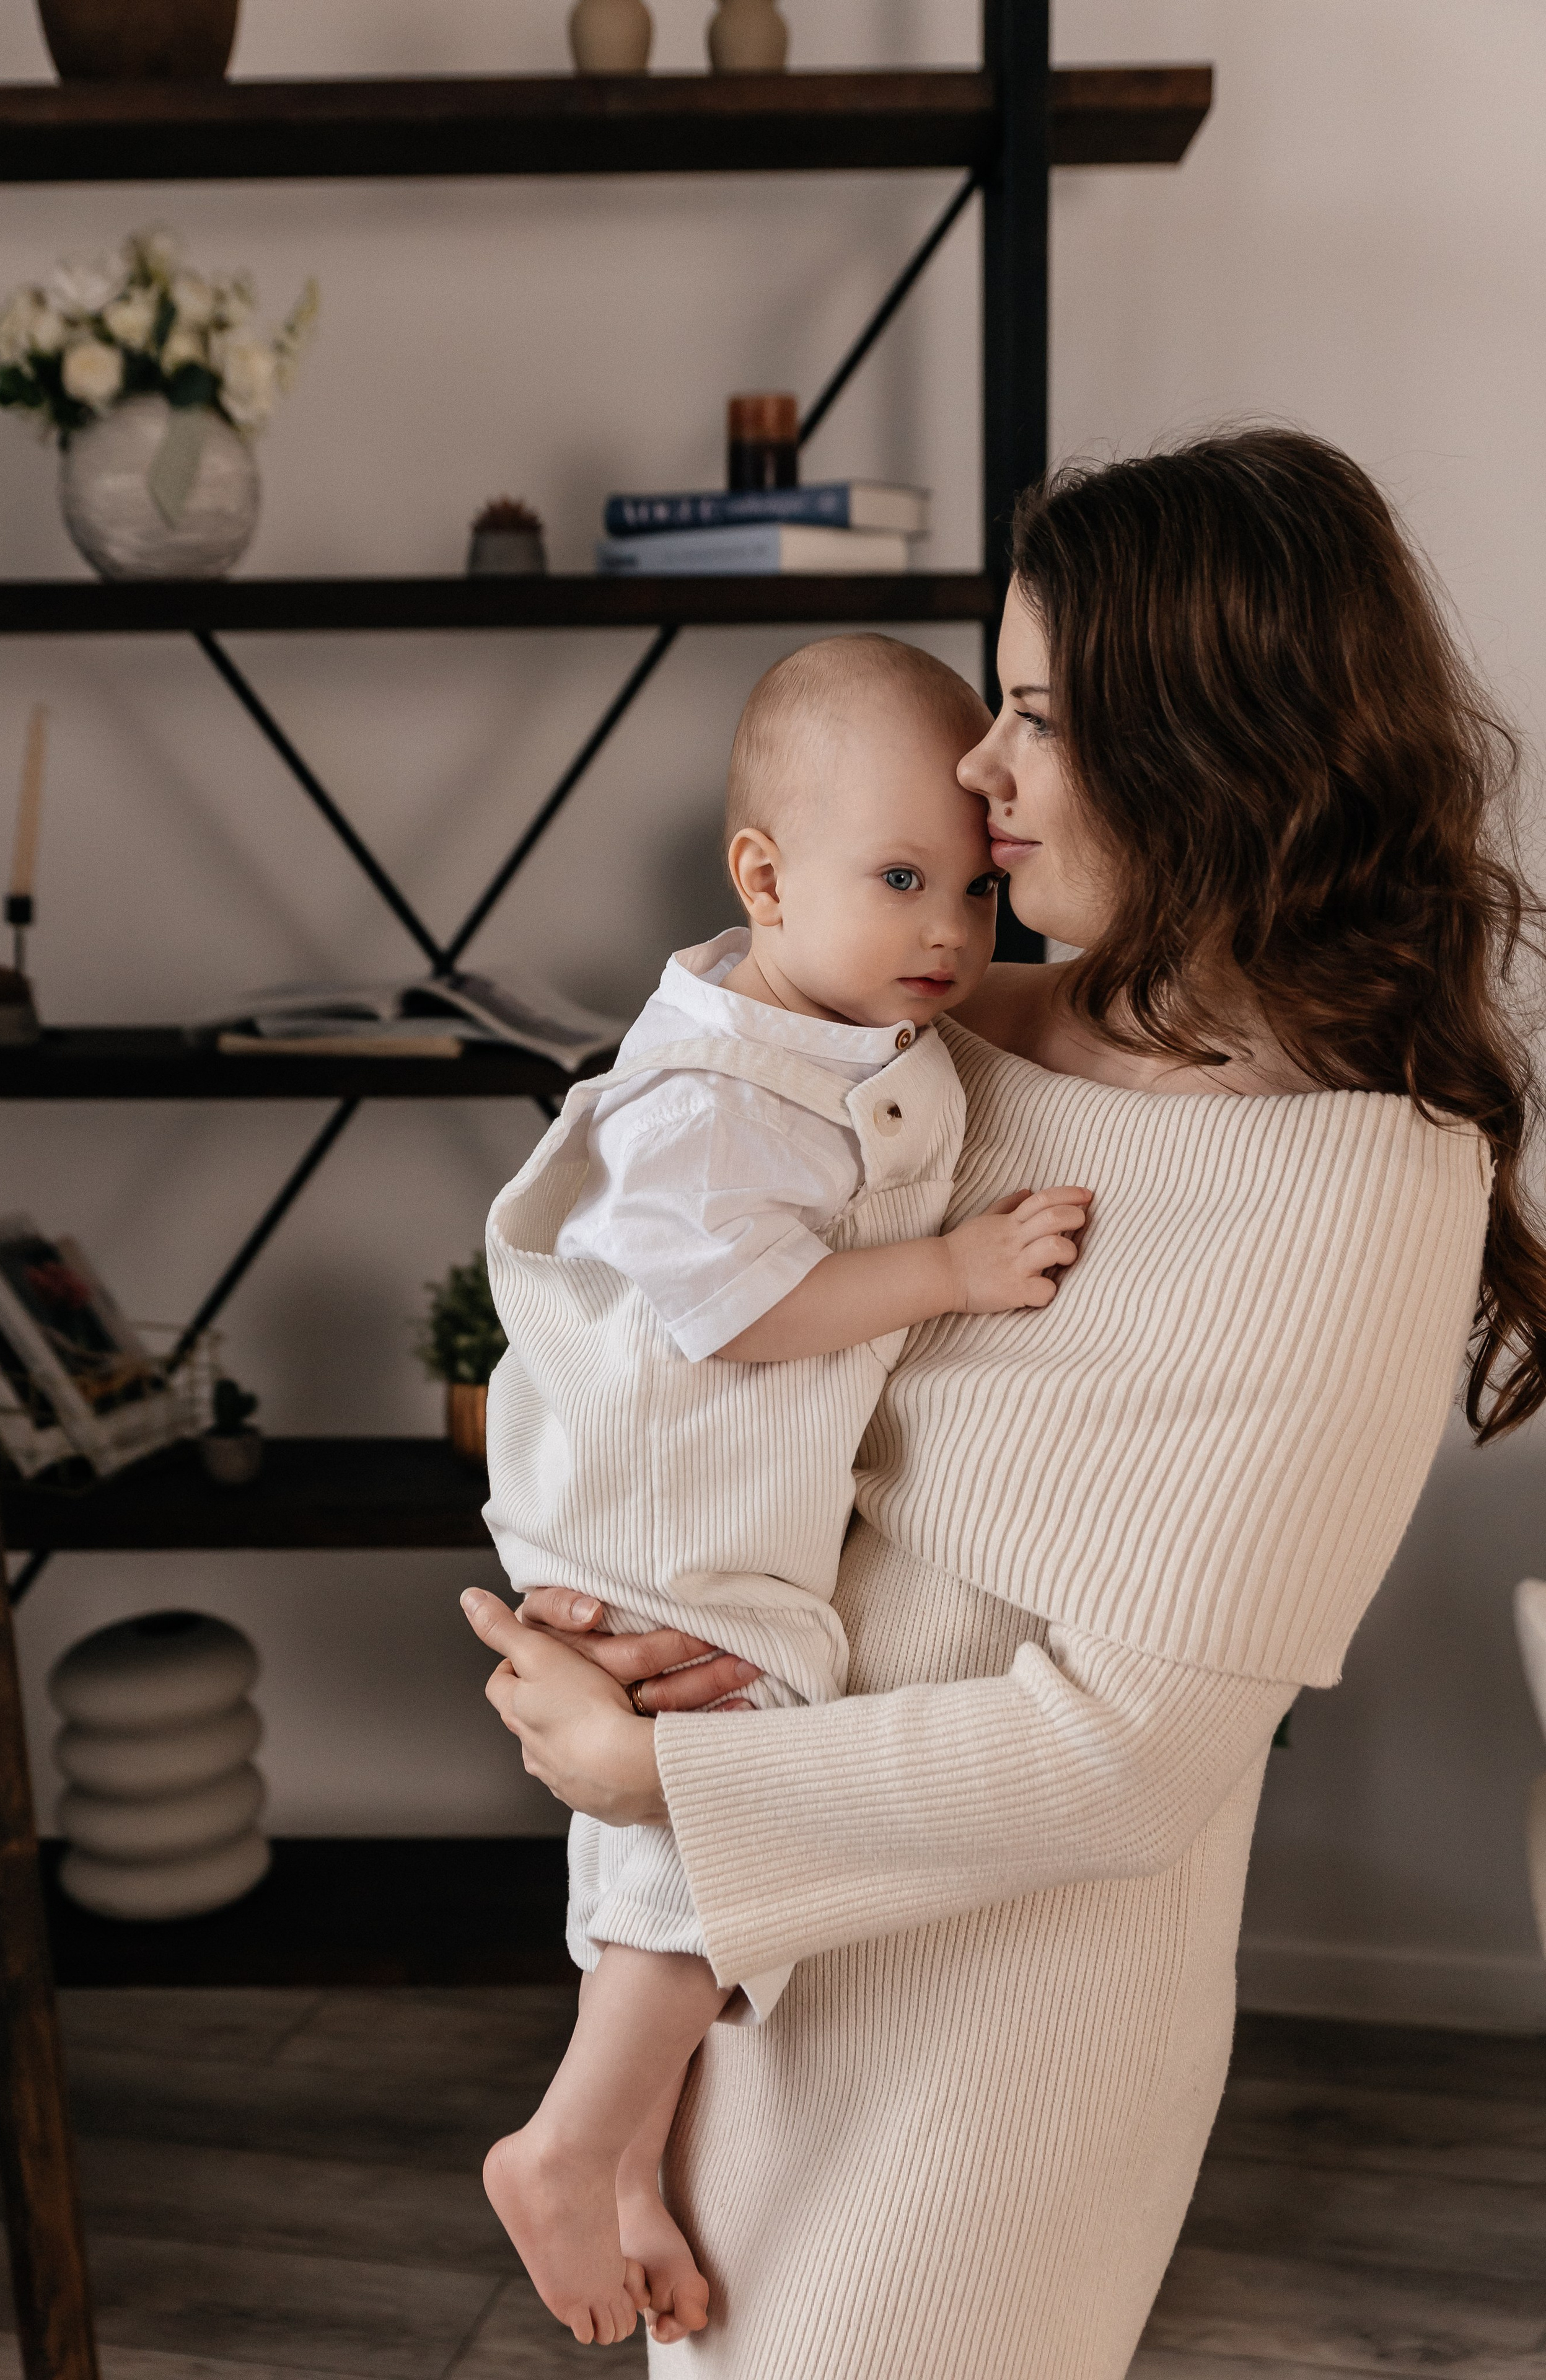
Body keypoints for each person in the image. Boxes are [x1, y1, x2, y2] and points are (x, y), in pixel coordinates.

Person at [462, 427, 1546, 2378]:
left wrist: (658, 1776)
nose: (977, 768)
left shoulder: (1369, 1186)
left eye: (1035, 716)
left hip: (987, 2056)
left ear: (1206, 749)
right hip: (728, 1961)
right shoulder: (943, 1034)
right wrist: (606, 1631)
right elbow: (688, 1312)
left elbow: (1125, 1759)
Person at [480, 633, 1090, 2345]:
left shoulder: (829, 1028)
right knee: (729, 1782)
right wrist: (957, 1270)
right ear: (760, 875)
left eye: (974, 890)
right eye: (899, 881)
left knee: (645, 1831)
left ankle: (622, 2177)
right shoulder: (706, 1094)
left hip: (680, 1523)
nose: (953, 937)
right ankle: (568, 2142)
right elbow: (743, 1312)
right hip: (661, 1514)